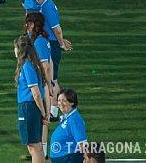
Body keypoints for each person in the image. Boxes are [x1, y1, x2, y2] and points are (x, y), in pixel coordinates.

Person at [33, 0, 73, 119]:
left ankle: (55, 112)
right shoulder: (45, 5)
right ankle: (55, 111)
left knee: (52, 80)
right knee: (52, 79)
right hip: (52, 43)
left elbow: (57, 29)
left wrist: (61, 43)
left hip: (51, 45)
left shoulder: (47, 6)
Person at [14, 35, 48, 163]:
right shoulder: (32, 65)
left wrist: (43, 113)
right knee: (34, 146)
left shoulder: (27, 66)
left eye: (15, 48)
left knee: (34, 147)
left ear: (20, 49)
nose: (14, 51)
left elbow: (36, 94)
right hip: (31, 108)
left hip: (29, 108)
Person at [26, 11, 54, 157]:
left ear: (32, 25)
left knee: (43, 120)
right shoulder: (38, 39)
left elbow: (45, 66)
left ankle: (41, 152)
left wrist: (48, 85)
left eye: (28, 23)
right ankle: (41, 151)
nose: (25, 26)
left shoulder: (39, 42)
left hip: (40, 85)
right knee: (41, 119)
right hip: (41, 84)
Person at [49, 89, 90, 163]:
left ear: (72, 102)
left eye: (64, 101)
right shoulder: (67, 117)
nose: (60, 103)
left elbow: (82, 143)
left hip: (69, 157)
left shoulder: (74, 119)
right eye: (58, 100)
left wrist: (87, 158)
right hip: (63, 157)